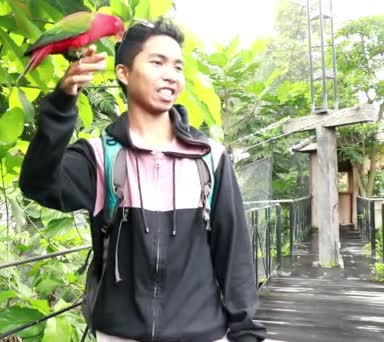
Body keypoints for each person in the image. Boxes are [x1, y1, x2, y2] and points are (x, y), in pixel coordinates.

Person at [19, 17, 267, 342]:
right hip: (118, 335)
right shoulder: (99, 158)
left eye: (178, 67)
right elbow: (37, 184)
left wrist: (246, 333)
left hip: (202, 334)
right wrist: (62, 104)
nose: (171, 75)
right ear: (124, 73)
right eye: (157, 62)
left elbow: (234, 255)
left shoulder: (211, 158)